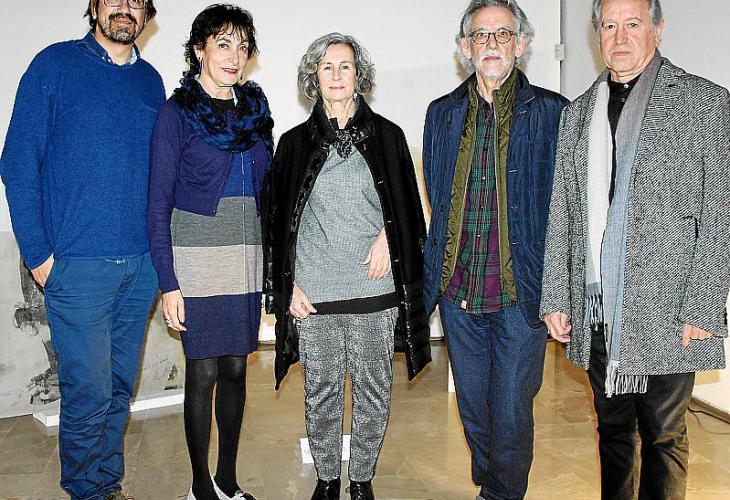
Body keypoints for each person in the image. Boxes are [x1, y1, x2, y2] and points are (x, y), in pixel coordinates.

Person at [541, 0, 730, 498]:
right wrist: (557, 296)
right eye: (609, 25)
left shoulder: (704, 103)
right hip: (600, 305)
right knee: (613, 428)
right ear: (596, 34)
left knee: (663, 433)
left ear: (657, 30)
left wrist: (704, 306)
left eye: (633, 24)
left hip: (670, 304)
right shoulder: (577, 114)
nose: (620, 37)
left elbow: (720, 213)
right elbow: (564, 210)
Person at [0, 1, 162, 498]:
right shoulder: (54, 65)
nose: (125, 8)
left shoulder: (151, 82)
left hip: (141, 268)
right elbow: (17, 162)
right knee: (88, 392)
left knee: (118, 388)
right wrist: (39, 256)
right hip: (76, 269)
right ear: (93, 6)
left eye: (136, 1)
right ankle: (86, 490)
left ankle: (107, 484)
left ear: (147, 13)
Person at [263, 32, 431, 500]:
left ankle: (360, 480)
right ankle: (326, 480)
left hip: (374, 289)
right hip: (314, 294)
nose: (336, 75)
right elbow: (278, 224)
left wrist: (388, 238)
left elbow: (409, 211)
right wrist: (288, 286)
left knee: (374, 390)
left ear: (360, 76)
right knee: (321, 392)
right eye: (327, 67)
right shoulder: (292, 144)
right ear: (313, 77)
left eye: (346, 66)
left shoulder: (388, 136)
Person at [421, 1, 568, 498]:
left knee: (510, 409)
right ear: (465, 48)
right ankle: (492, 482)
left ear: (521, 44)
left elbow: (566, 210)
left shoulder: (553, 113)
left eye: (502, 34)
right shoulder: (441, 114)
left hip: (520, 292)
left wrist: (560, 291)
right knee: (473, 408)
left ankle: (501, 493)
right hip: (458, 291)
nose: (491, 44)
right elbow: (438, 198)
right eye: (480, 35)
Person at [147, 4, 272, 500]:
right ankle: (201, 487)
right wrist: (168, 282)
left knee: (237, 368)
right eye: (223, 44)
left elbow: (269, 190)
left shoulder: (255, 111)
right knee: (202, 369)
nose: (234, 56)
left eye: (242, 46)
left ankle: (227, 479)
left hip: (246, 255)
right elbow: (158, 202)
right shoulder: (176, 113)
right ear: (199, 49)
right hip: (195, 258)